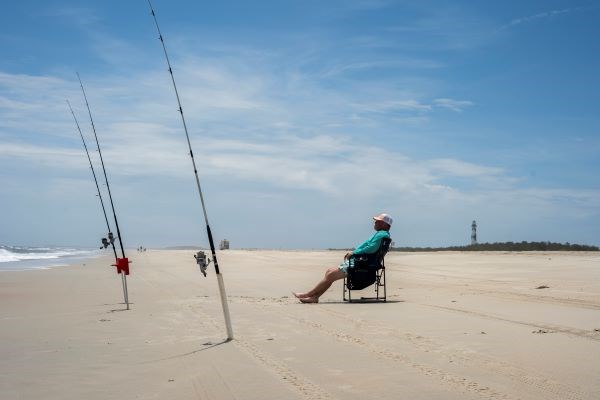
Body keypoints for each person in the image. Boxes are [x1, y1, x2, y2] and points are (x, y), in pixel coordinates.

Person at [293, 213, 393, 303]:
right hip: (363, 260)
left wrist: (354, 253)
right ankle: (314, 297)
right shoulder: (382, 234)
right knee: (329, 272)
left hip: (363, 263)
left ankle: (309, 294)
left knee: (331, 274)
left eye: (378, 221)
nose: (374, 222)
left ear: (385, 224)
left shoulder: (382, 234)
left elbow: (371, 248)